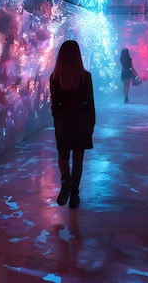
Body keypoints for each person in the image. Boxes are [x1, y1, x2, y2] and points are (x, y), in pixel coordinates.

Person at [50, 40, 96, 208]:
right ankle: (74, 196)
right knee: (78, 159)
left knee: (63, 155)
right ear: (78, 56)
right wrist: (92, 123)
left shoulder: (55, 77)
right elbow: (90, 102)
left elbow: (55, 104)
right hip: (82, 120)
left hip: (64, 120)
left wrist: (57, 119)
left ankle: (65, 181)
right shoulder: (86, 77)